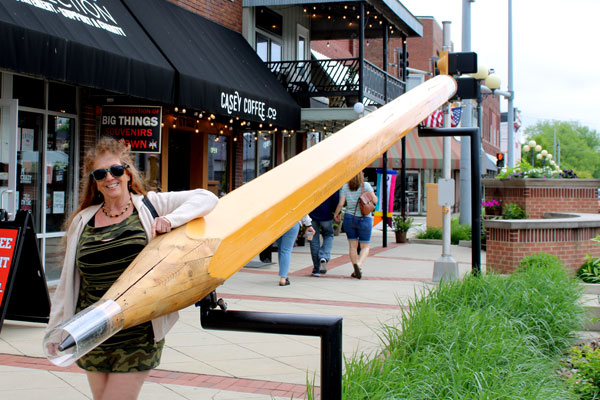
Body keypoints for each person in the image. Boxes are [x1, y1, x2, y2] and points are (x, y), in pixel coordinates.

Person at [46, 137, 218, 400]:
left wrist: (171, 220)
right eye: (100, 173)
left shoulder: (149, 205)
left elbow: (205, 198)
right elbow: (69, 283)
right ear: (94, 180)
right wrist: (57, 328)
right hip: (90, 330)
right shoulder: (82, 220)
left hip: (136, 331)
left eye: (116, 170)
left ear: (127, 172)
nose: (109, 177)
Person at [334, 171, 375, 279]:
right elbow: (375, 200)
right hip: (365, 218)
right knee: (365, 246)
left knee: (353, 245)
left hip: (349, 218)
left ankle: (355, 269)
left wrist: (336, 214)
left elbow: (341, 203)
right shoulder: (366, 186)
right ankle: (359, 265)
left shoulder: (345, 187)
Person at [276, 216, 314, 286]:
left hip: (279, 222)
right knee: (286, 250)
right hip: (293, 222)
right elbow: (303, 211)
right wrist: (309, 225)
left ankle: (284, 275)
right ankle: (283, 277)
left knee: (281, 249)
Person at [309, 190, 340, 276]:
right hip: (326, 215)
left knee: (312, 240)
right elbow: (335, 198)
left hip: (310, 217)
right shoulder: (330, 181)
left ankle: (316, 269)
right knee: (329, 235)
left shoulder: (310, 181)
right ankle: (324, 256)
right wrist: (336, 213)